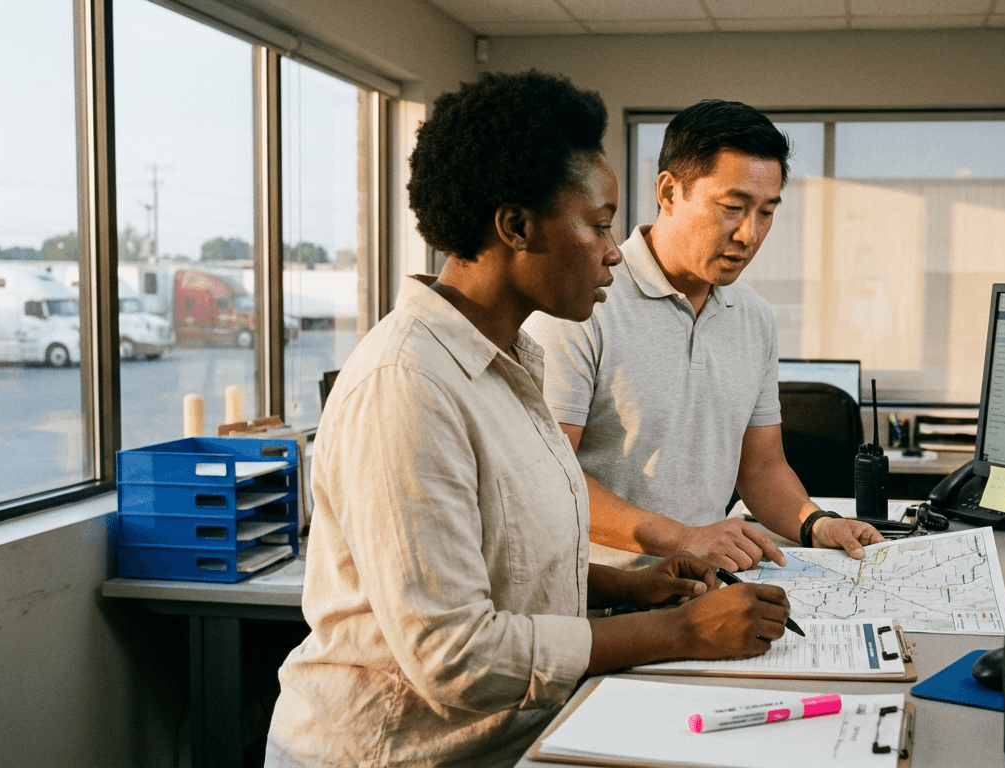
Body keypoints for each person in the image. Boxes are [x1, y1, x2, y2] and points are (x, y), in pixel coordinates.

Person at [265, 71, 791, 768]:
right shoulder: (407, 385)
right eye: (600, 225)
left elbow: (511, 562)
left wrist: (631, 585)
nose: (612, 251)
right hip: (389, 753)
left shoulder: (511, 363)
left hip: (515, 738)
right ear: (515, 225)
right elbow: (456, 655)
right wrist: (678, 629)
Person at [524, 100, 884, 572]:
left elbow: (761, 468)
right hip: (600, 597)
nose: (749, 235)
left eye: (767, 212)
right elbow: (551, 478)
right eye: (733, 208)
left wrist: (815, 522)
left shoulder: (753, 317)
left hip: (705, 586)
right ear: (670, 192)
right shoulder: (579, 305)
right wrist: (683, 539)